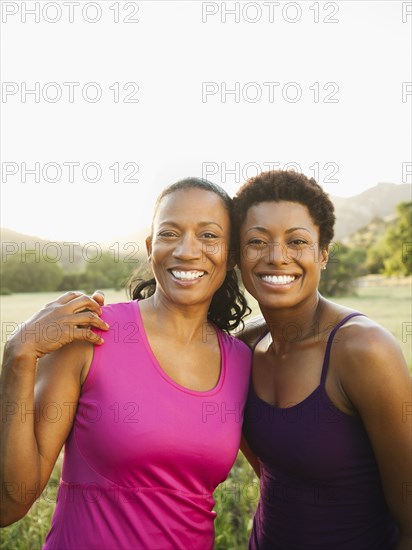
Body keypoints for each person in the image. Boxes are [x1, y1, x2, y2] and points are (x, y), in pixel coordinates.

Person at [0, 178, 252, 550]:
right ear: (151, 248)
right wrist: (17, 355)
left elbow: (288, 478)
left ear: (230, 255)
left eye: (209, 236)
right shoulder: (90, 335)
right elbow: (11, 503)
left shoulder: (243, 362)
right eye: (170, 233)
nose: (187, 250)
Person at [235, 170, 411, 550]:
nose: (277, 257)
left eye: (297, 241)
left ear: (324, 253)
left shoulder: (363, 351)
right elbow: (273, 473)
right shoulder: (244, 346)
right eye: (257, 241)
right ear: (238, 254)